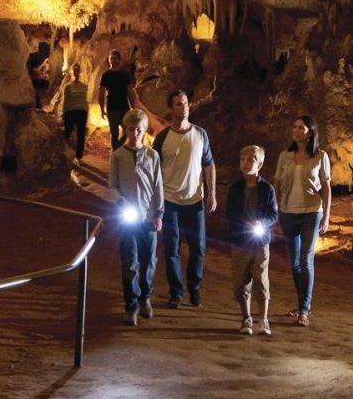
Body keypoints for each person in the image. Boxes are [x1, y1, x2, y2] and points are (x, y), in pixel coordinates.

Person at [134, 87, 215, 308]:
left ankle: (194, 287)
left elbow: (208, 164)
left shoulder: (200, 134)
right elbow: (154, 169)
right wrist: (153, 201)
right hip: (169, 201)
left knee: (198, 247)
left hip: (195, 200)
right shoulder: (163, 138)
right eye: (179, 104)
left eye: (186, 103)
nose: (185, 107)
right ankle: (176, 291)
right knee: (172, 249)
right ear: (171, 108)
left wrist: (212, 193)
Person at [274, 115, 332, 327]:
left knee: (306, 259)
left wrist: (326, 214)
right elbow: (277, 183)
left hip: (311, 212)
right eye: (295, 126)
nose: (296, 130)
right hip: (288, 211)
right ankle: (302, 303)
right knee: (294, 263)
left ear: (310, 132)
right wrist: (276, 210)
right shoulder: (285, 156)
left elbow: (326, 186)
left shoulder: (320, 156)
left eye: (301, 127)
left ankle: (303, 310)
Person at [108, 110, 163, 326]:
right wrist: (120, 200)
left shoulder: (152, 156)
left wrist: (159, 213)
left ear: (144, 130)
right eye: (131, 129)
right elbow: (112, 184)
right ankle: (131, 304)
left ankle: (145, 298)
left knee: (149, 260)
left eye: (139, 129)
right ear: (126, 129)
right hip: (128, 218)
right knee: (130, 262)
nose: (135, 133)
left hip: (148, 217)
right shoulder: (118, 156)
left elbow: (158, 185)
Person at [224, 145, 278, 336]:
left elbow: (273, 214)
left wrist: (261, 223)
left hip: (260, 240)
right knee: (241, 279)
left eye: (251, 160)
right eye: (243, 160)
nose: (246, 163)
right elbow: (229, 212)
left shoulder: (267, 189)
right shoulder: (235, 189)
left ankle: (263, 319)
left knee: (261, 277)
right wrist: (240, 226)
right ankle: (246, 318)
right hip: (240, 240)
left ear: (260, 164)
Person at [98, 50, 136, 151]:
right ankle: (115, 154)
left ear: (120, 60)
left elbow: (129, 92)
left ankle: (117, 149)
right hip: (112, 108)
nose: (113, 60)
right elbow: (101, 93)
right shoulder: (106, 75)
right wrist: (101, 108)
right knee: (114, 133)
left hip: (124, 107)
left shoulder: (125, 74)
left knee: (128, 130)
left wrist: (133, 107)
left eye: (115, 58)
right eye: (111, 58)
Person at [58, 65, 89, 159]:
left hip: (81, 111)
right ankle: (63, 153)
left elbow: (85, 100)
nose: (76, 72)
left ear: (80, 72)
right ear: (72, 72)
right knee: (67, 133)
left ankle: (78, 157)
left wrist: (87, 112)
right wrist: (63, 114)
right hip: (70, 111)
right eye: (74, 70)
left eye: (78, 70)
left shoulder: (84, 86)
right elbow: (65, 100)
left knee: (81, 135)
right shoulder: (68, 86)